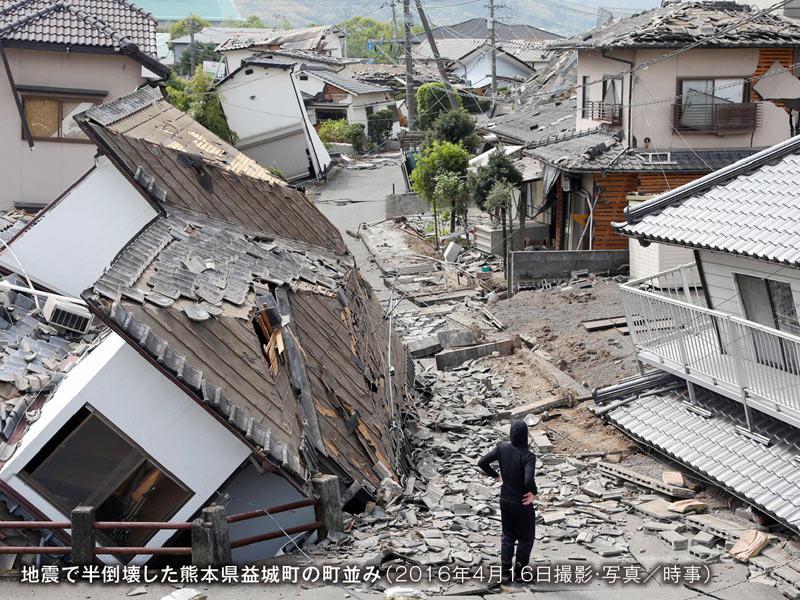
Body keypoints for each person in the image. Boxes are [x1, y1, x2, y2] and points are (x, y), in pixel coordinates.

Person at [477, 419, 537, 584]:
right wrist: (534, 493)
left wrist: (496, 475)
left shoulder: (502, 448)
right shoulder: (528, 456)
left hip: (505, 501)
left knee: (508, 536)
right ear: (525, 436)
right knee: (526, 538)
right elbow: (528, 480)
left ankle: (504, 573)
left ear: (511, 433)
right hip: (522, 504)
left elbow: (482, 462)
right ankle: (519, 573)